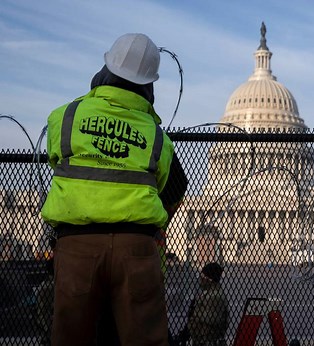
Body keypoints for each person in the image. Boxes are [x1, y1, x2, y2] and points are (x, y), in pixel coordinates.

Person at [41, 33, 188, 346]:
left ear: (103, 73)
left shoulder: (66, 116)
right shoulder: (157, 136)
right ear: (149, 86)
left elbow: (59, 162)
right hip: (135, 245)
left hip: (77, 243)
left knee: (70, 336)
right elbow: (174, 185)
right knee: (144, 337)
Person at [173, 262, 230, 346]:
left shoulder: (214, 297)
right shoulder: (208, 294)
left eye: (202, 277)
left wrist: (194, 313)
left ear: (209, 280)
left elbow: (208, 320)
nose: (200, 280)